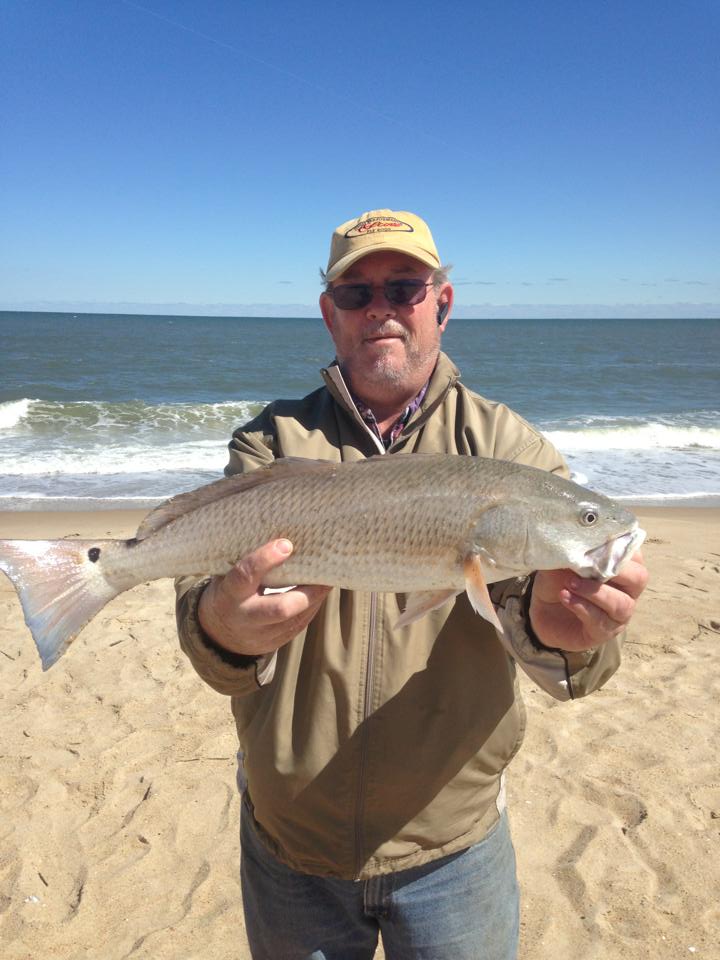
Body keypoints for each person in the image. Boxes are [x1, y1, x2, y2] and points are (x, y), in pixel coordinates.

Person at [176, 209, 648, 960]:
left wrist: (570, 636)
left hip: (453, 847)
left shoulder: (511, 450)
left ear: (442, 303)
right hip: (289, 845)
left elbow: (568, 653)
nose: (382, 309)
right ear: (330, 315)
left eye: (404, 286)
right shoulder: (271, 442)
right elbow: (205, 620)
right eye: (356, 294)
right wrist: (220, 626)